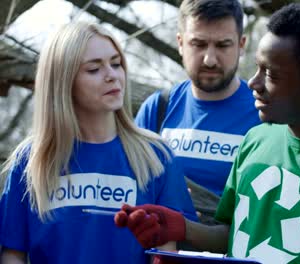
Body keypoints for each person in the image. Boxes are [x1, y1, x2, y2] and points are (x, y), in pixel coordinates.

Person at [115, 4, 300, 263]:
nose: (253, 83)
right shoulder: (255, 140)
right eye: (257, 67)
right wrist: (182, 228)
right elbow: (231, 232)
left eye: (271, 75)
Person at [0, 22, 197, 264]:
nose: (112, 75)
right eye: (94, 69)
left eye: (116, 64)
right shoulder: (30, 161)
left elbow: (169, 254)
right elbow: (12, 254)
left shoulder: (157, 156)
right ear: (63, 82)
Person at [135, 0, 261, 197]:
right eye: (198, 44)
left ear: (241, 45)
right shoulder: (157, 109)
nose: (209, 59)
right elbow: (135, 187)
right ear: (180, 43)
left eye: (223, 45)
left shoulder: (264, 113)